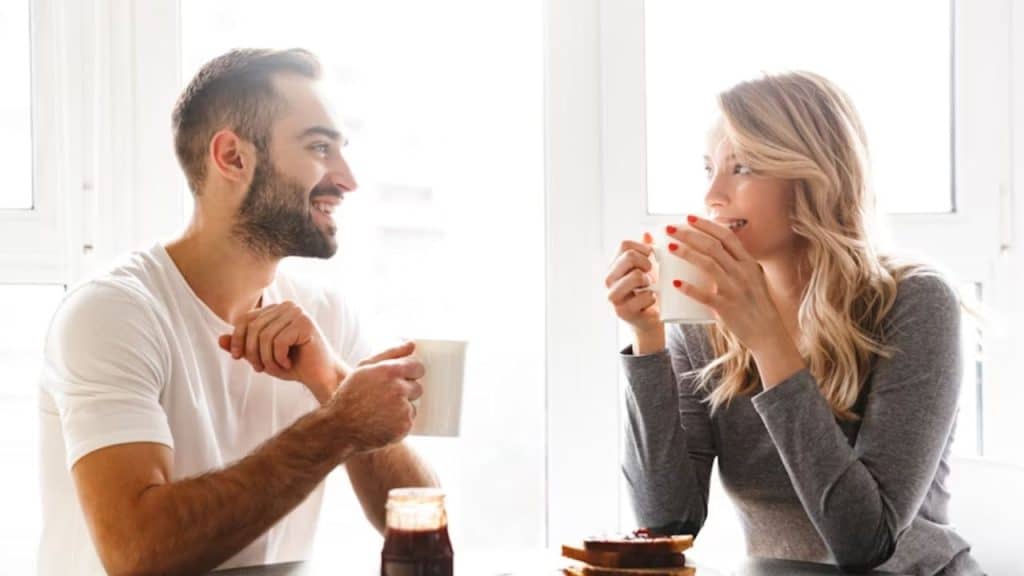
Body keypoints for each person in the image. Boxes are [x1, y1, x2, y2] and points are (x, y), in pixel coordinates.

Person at [38, 48, 437, 575]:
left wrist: (333, 383)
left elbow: (422, 526)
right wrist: (339, 422)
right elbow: (138, 554)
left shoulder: (326, 313)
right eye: (320, 148)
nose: (346, 179)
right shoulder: (112, 313)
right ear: (232, 157)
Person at [605, 71, 982, 575]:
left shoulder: (915, 301)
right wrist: (647, 341)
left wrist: (767, 340)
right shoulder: (706, 319)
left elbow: (865, 542)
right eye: (708, 169)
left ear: (813, 176)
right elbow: (666, 524)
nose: (714, 194)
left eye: (742, 167)